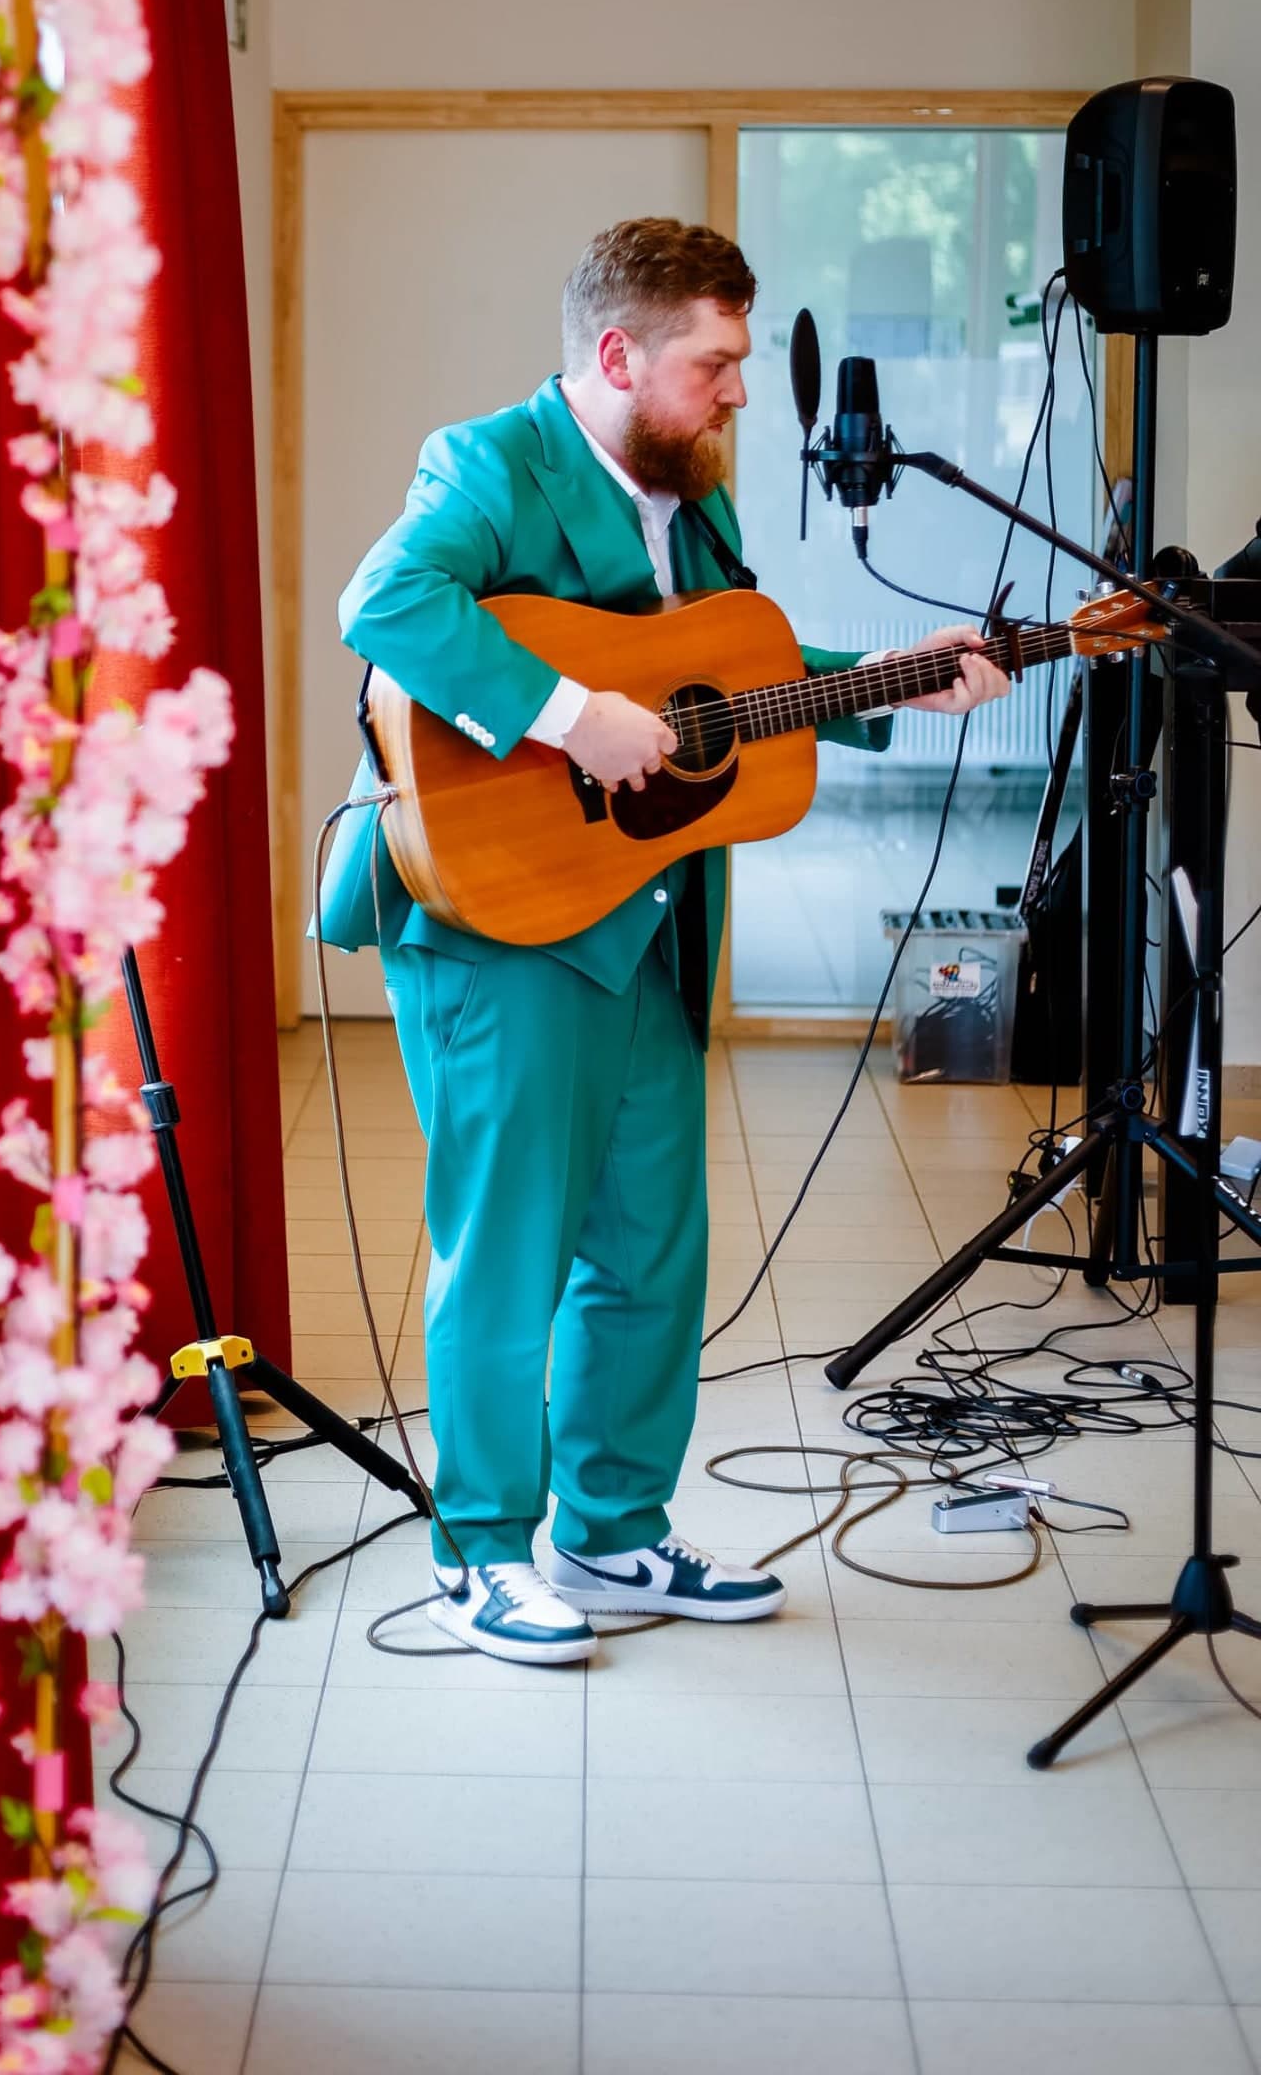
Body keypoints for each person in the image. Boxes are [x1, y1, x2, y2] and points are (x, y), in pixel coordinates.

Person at [316, 218, 1009, 1665]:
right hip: (503, 919)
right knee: (508, 1256)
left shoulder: (692, 494)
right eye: (716, 363)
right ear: (619, 354)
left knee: (650, 1255)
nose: (739, 391)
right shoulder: (492, 462)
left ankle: (614, 1531)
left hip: (643, 922)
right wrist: (573, 717)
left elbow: (721, 673)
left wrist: (888, 682)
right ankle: (480, 1556)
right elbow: (385, 605)